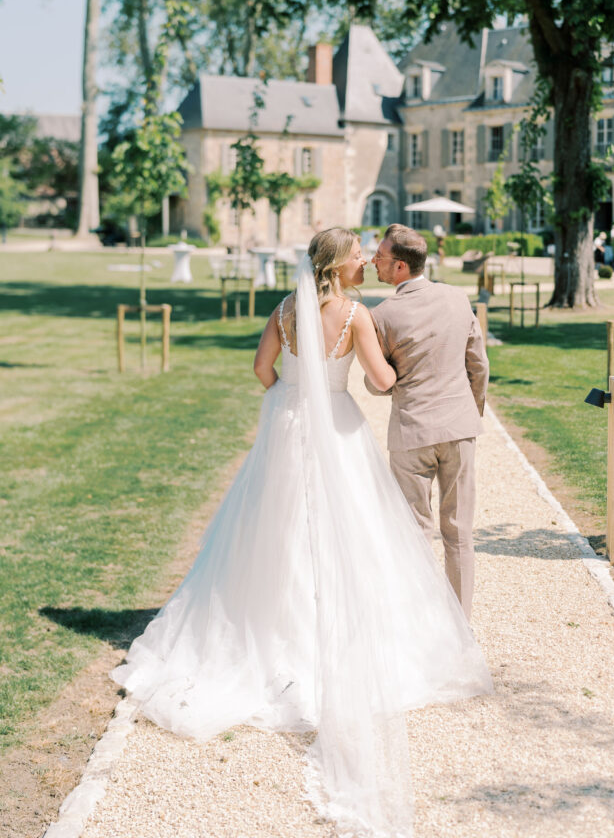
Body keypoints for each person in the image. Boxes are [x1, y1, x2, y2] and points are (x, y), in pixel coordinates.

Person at [110, 227, 492, 838]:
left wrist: (291, 392)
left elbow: (262, 370)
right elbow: (385, 381)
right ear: (339, 268)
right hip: (336, 426)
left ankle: (268, 628)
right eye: (359, 258)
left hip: (286, 422)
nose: (367, 262)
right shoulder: (358, 316)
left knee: (274, 523)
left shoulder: (284, 310)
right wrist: (387, 376)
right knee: (351, 528)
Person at [368, 224, 489, 620]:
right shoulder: (458, 298)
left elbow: (378, 384)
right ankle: (460, 626)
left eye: (381, 258)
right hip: (459, 428)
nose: (374, 262)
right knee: (459, 534)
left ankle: (422, 627)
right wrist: (470, 415)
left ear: (400, 267)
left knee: (415, 535)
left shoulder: (382, 315)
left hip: (411, 433)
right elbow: (479, 366)